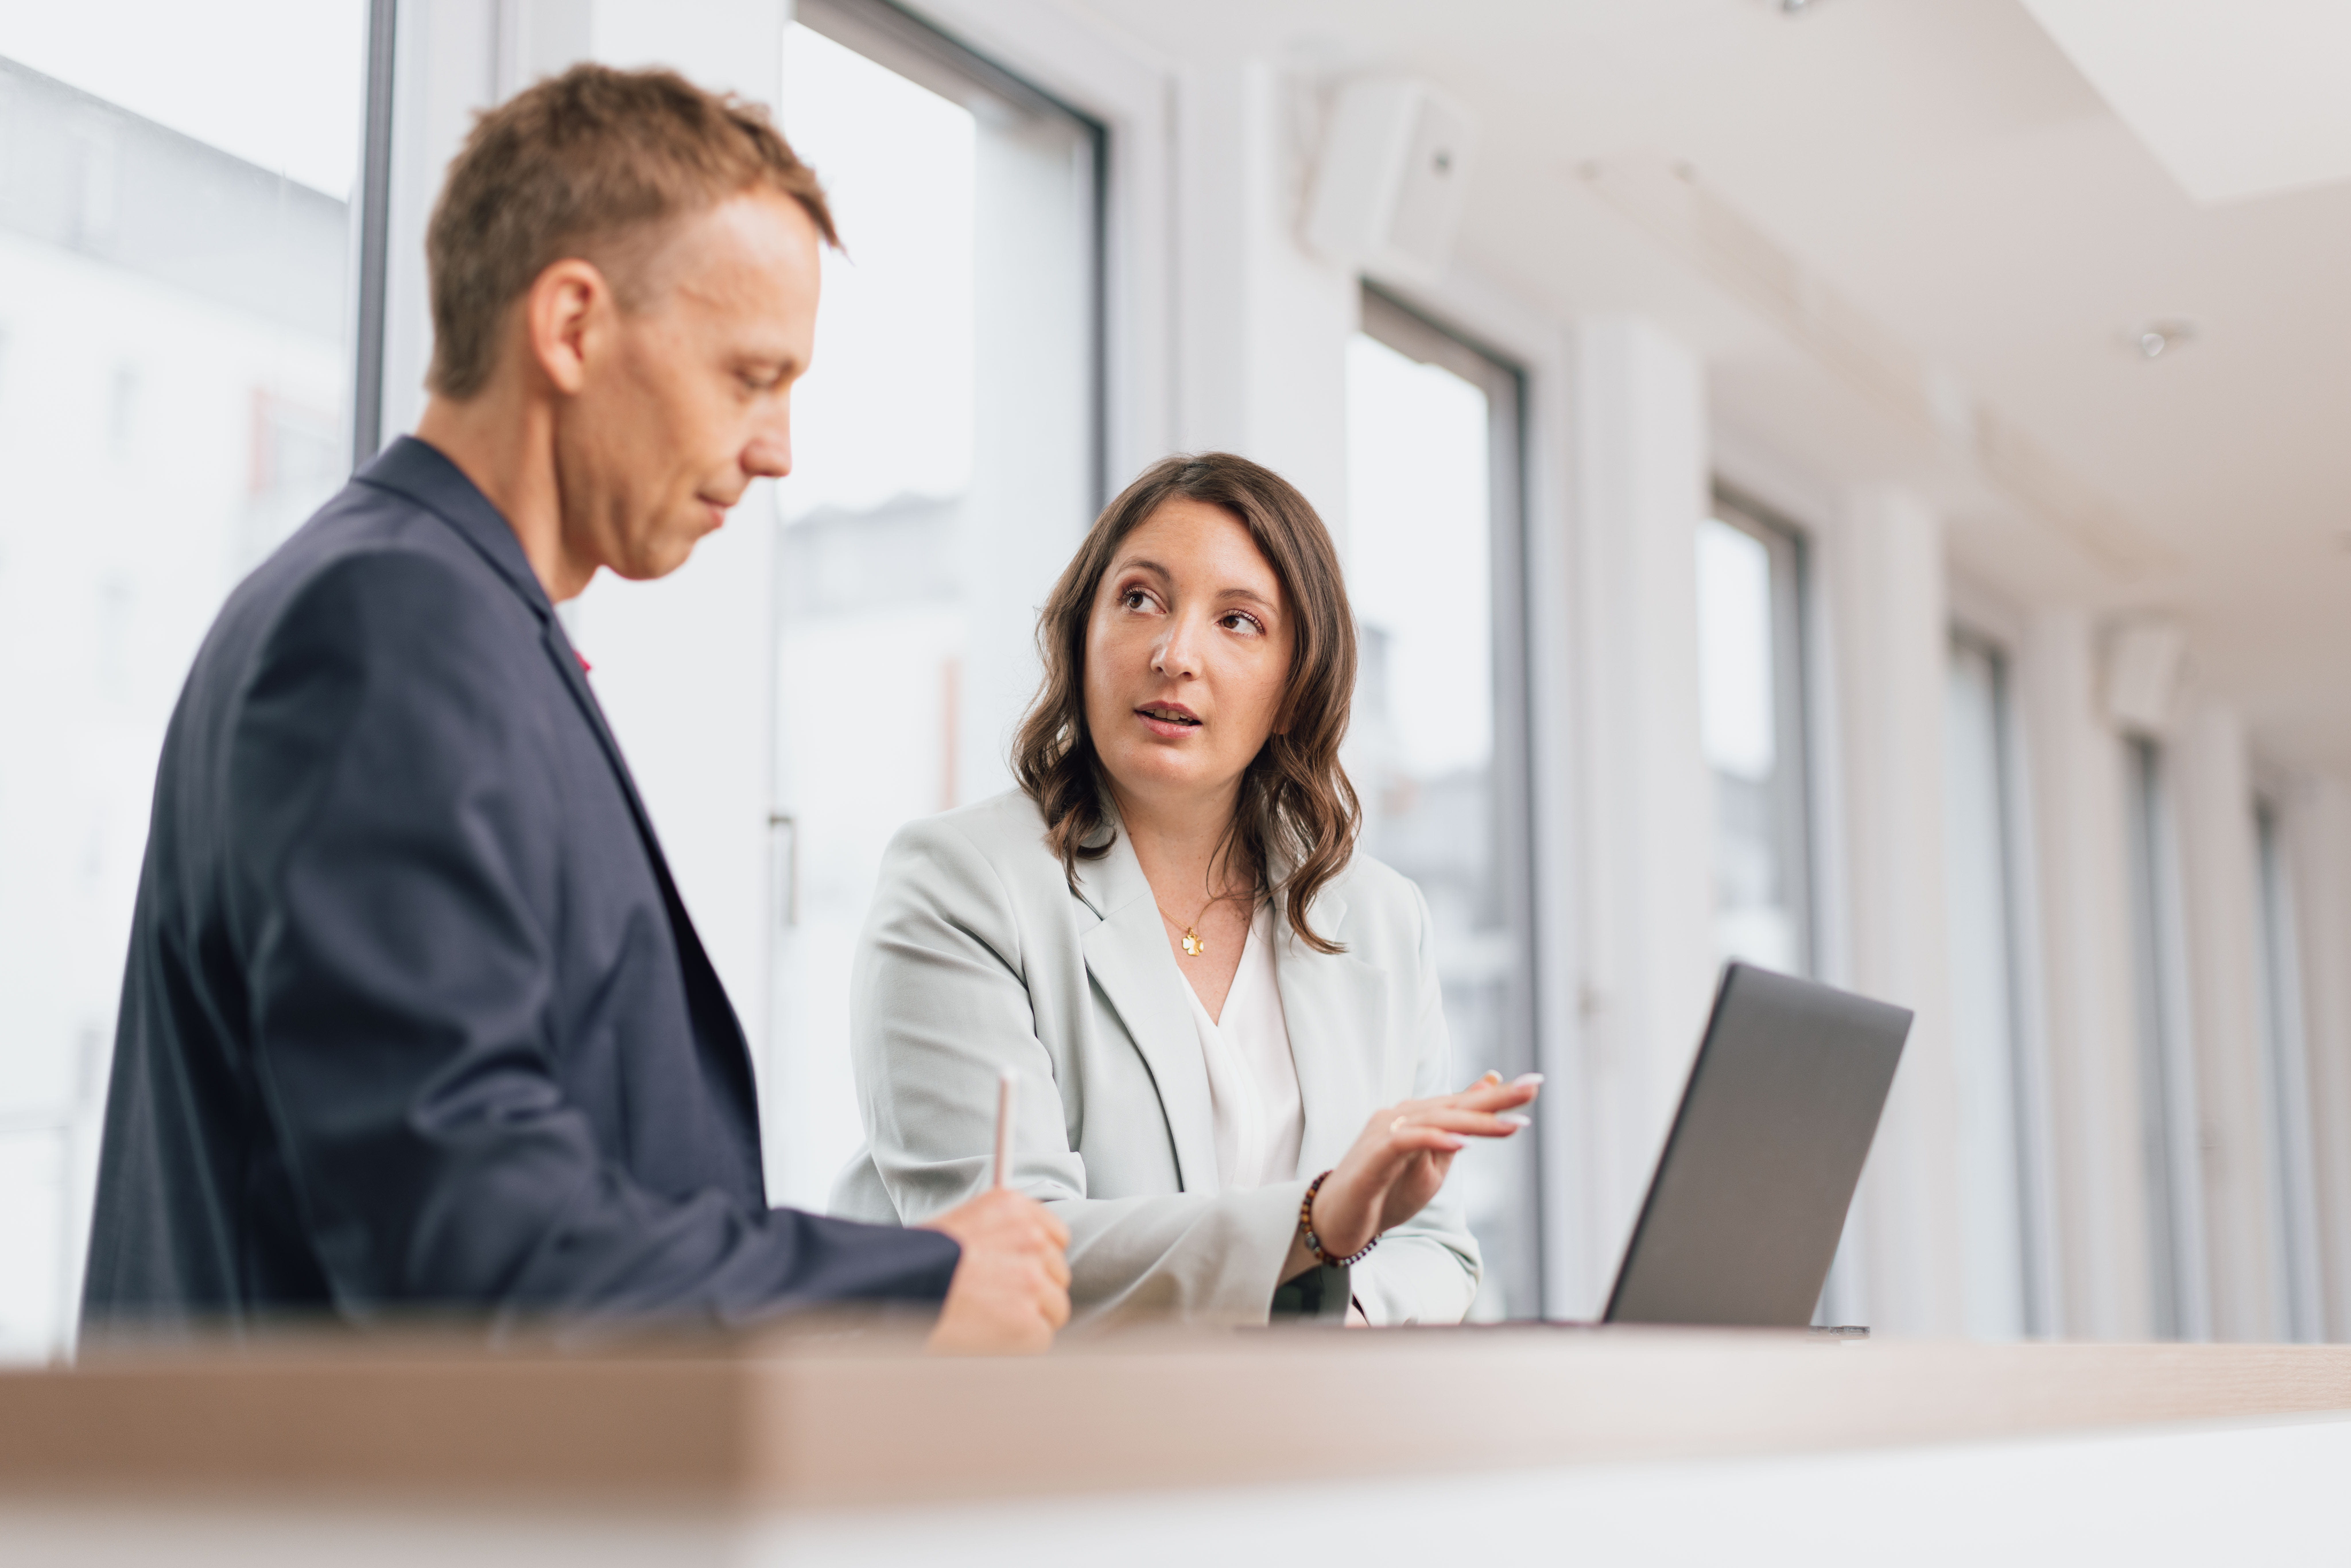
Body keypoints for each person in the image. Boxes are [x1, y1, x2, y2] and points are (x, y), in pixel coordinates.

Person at [81, 65, 1068, 1352]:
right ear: (571, 326)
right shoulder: (389, 626)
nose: (777, 449)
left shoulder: (447, 619)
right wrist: (915, 1286)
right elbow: (458, 1234)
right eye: (749, 375)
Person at [831, 453, 1540, 1325]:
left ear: (1293, 689)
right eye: (1139, 600)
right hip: (1034, 1439)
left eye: (1239, 622)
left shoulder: (1386, 920)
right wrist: (1313, 1226)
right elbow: (1006, 1252)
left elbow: (1434, 1248)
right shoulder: (959, 885)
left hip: (1295, 1436)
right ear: (1082, 633)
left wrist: (1333, 1325)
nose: (1176, 655)